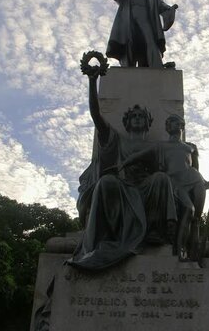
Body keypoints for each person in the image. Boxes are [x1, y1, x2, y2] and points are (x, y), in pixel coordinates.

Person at [69, 67, 177, 270]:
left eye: (141, 116)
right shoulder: (116, 139)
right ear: (126, 122)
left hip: (145, 188)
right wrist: (93, 82)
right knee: (107, 182)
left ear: (147, 121)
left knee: (162, 179)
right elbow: (96, 116)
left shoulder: (156, 147)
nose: (137, 118)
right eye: (133, 115)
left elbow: (173, 169)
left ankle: (157, 233)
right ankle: (105, 235)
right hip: (122, 187)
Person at [119, 115, 209, 261]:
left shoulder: (191, 147)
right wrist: (122, 164)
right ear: (166, 128)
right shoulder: (160, 145)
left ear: (182, 126)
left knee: (196, 220)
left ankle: (195, 253)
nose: (172, 125)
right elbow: (138, 156)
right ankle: (179, 249)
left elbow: (196, 169)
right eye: (169, 123)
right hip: (174, 182)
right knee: (188, 209)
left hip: (194, 179)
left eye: (175, 122)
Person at [106, 0, 178, 68]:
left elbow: (163, 6)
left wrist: (170, 10)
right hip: (128, 21)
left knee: (150, 40)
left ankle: (156, 65)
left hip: (146, 20)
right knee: (129, 43)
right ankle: (127, 67)